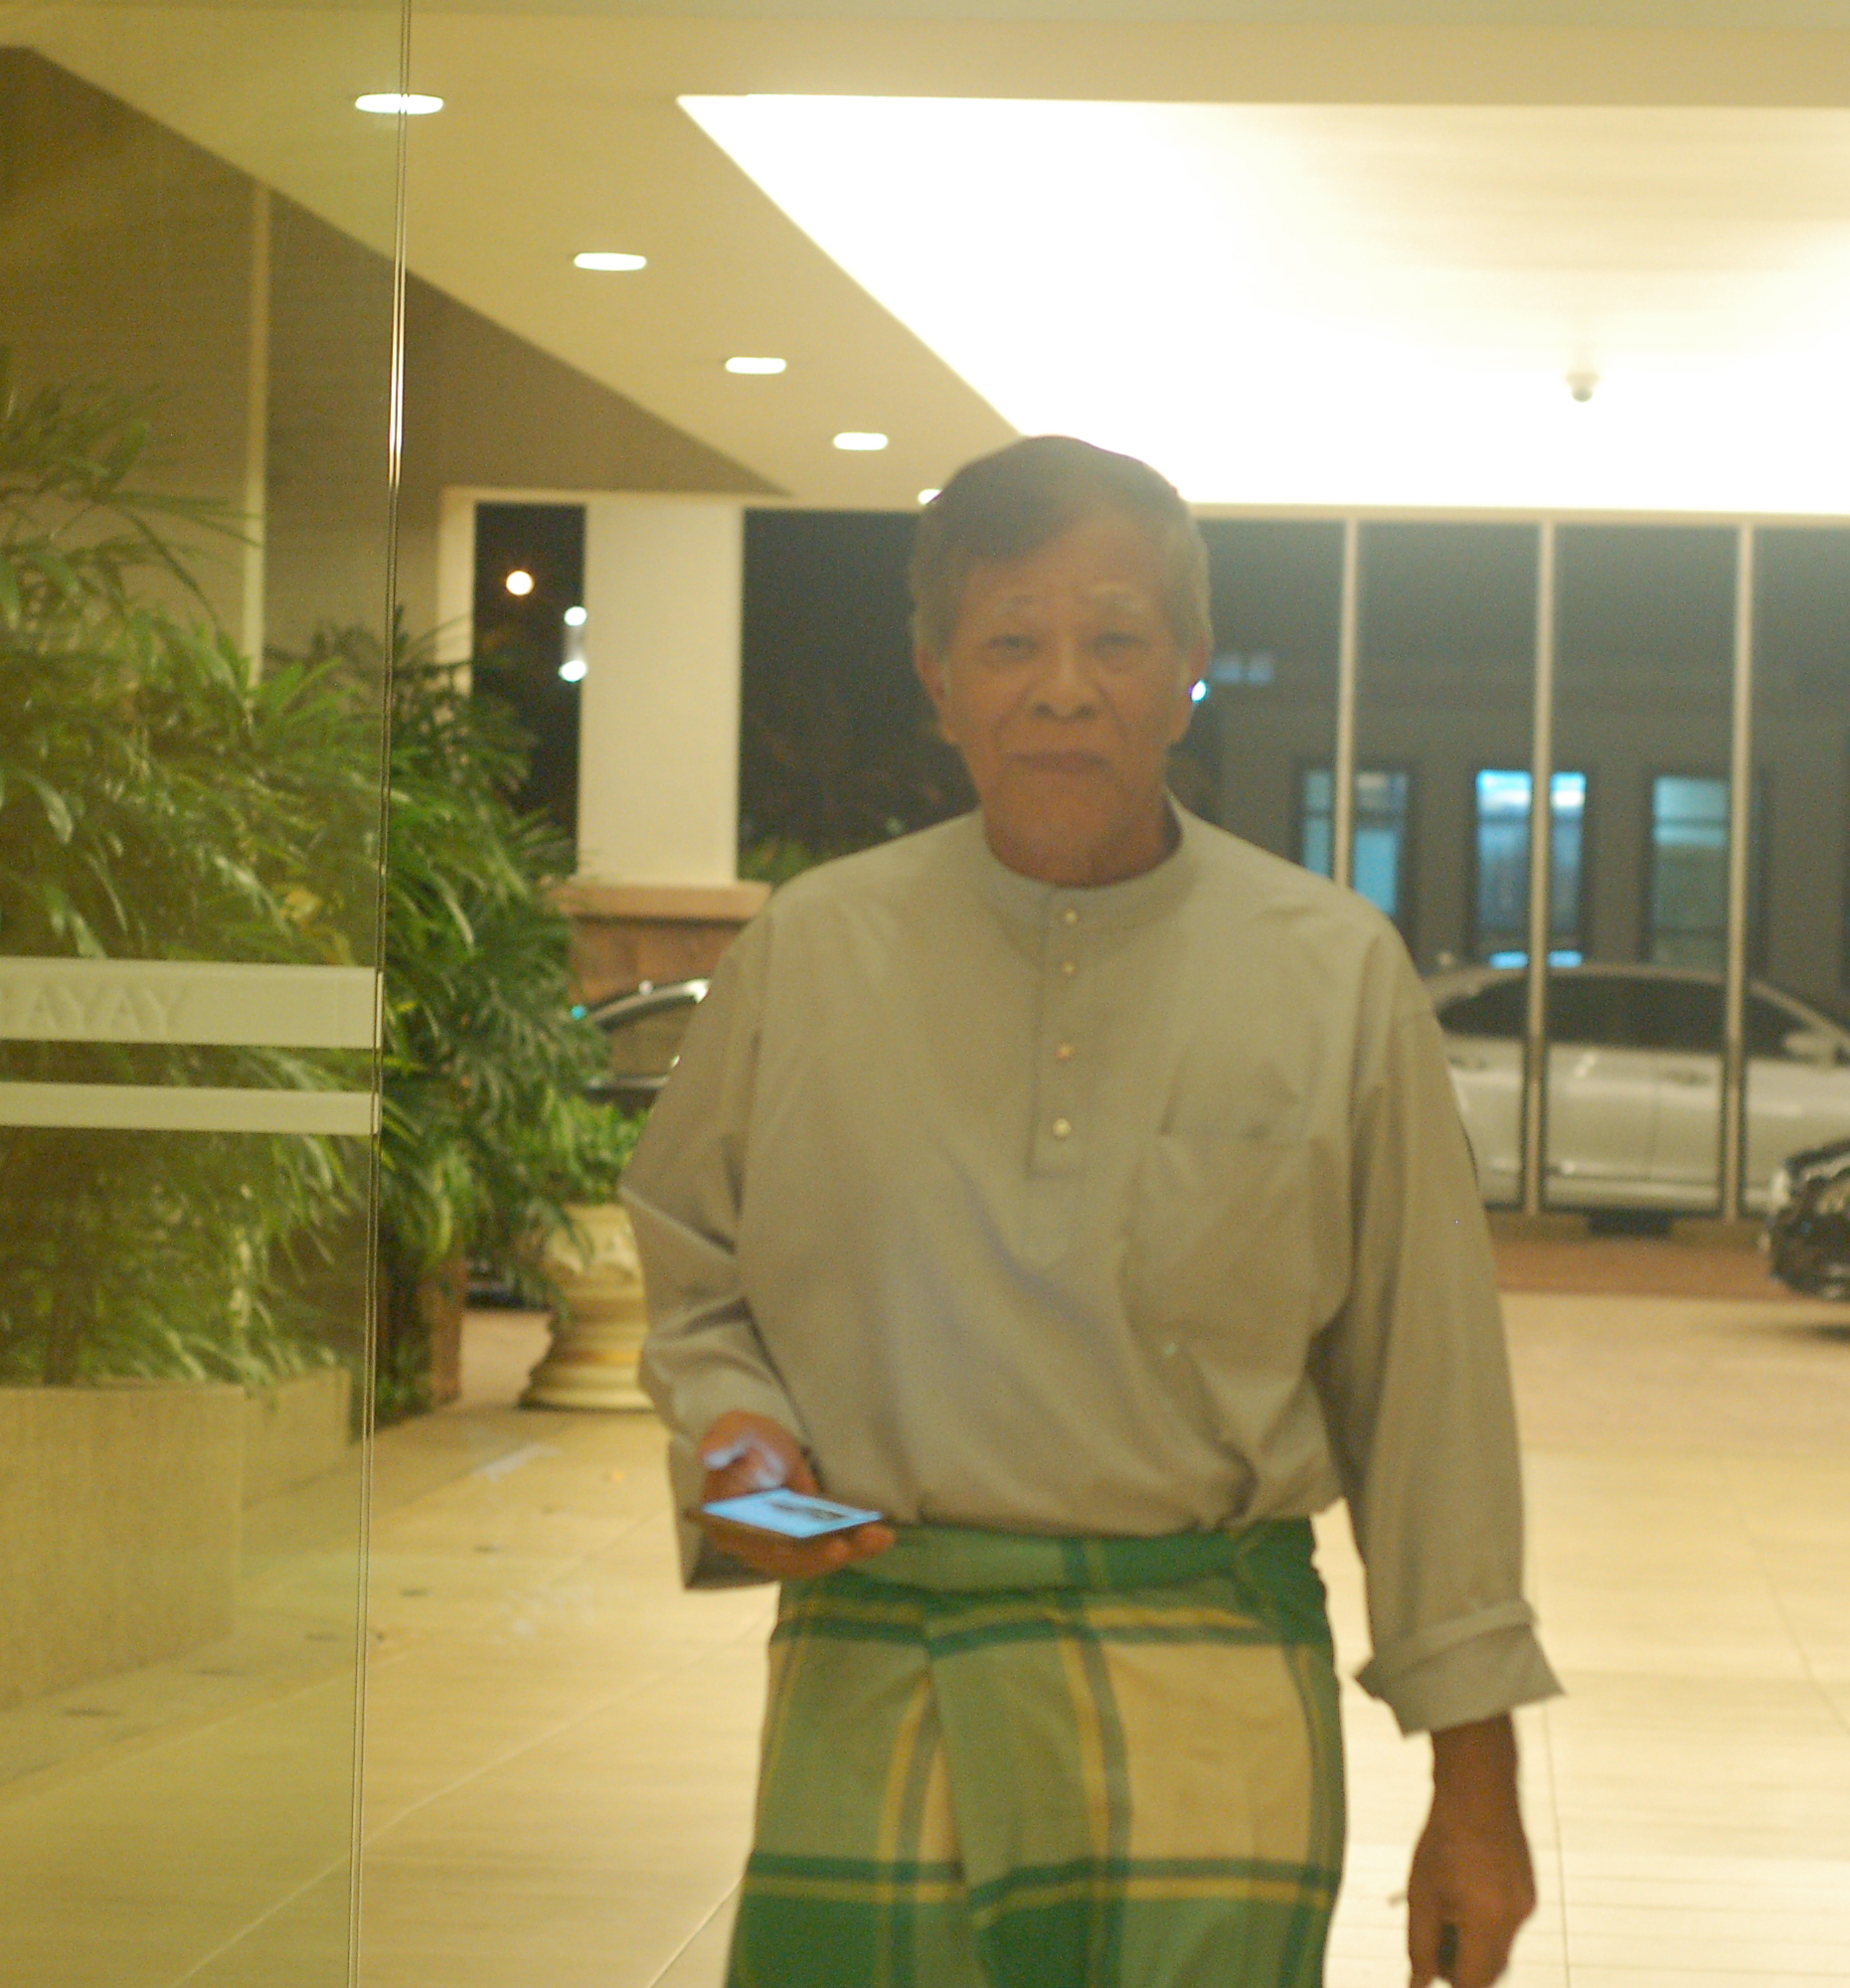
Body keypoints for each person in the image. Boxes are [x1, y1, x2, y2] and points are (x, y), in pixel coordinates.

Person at [627, 434, 1560, 1988]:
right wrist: (738, 1442)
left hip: (1214, 1705)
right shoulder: (814, 950)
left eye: (1114, 640)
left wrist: (1477, 1792)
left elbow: (1430, 1399)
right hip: (884, 1676)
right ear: (938, 680)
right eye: (1011, 643)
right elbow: (693, 1268)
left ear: (1190, 669)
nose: (1064, 690)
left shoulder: (1331, 971)